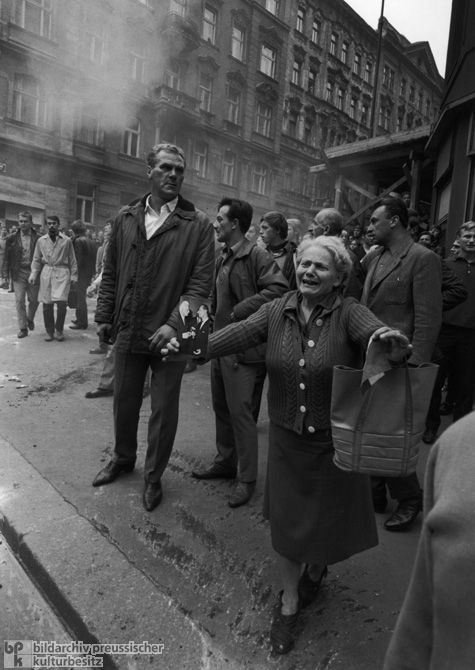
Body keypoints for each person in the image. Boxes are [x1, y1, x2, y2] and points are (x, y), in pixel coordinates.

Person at [162, 236, 412, 654]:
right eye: (305, 264)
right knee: (291, 530)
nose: (309, 271)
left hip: (334, 442)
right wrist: (196, 346)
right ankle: (290, 602)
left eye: (321, 267)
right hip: (287, 442)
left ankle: (317, 571)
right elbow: (239, 333)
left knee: (328, 522)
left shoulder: (348, 311)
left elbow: (375, 336)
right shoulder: (278, 309)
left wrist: (391, 344)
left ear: (338, 278)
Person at [91, 142, 215, 512]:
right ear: (149, 171)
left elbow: (200, 286)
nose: (173, 175)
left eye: (179, 170)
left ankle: (153, 477)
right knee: (124, 401)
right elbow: (110, 272)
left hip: (171, 338)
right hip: (129, 326)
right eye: (165, 168)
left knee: (163, 411)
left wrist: (175, 325)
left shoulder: (199, 224)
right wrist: (103, 316)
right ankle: (123, 457)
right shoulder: (126, 216)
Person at [191, 197, 288, 508]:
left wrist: (239, 312)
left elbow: (279, 290)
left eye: (220, 219)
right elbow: (213, 298)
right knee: (222, 409)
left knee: (241, 415)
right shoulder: (224, 256)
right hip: (220, 346)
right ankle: (224, 462)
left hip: (243, 350)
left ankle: (246, 479)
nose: (216, 224)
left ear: (235, 224)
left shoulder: (256, 255)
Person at [361, 197, 442, 531]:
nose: (369, 227)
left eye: (375, 221)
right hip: (373, 359)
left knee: (391, 434)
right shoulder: (376, 257)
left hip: (401, 363)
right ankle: (375, 491)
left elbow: (428, 319)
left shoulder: (423, 259)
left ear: (394, 221)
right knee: (371, 427)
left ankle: (410, 498)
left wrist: (416, 366)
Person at [383, 411, 475, 670]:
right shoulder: (459, 443)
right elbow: (419, 618)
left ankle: (403, 493)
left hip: (388, 380)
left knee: (385, 420)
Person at [422, 221, 475, 444]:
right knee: (434, 383)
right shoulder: (444, 265)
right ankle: (431, 427)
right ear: (458, 239)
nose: (472, 240)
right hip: (443, 332)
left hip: (472, 335)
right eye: (468, 236)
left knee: (466, 387)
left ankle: (459, 436)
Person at [29, 216, 78, 342]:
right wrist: (33, 274)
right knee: (47, 304)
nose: (51, 226)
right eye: (49, 223)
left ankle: (59, 330)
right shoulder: (41, 241)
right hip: (47, 272)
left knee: (62, 304)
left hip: (62, 273)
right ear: (46, 225)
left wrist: (74, 276)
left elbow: (72, 259)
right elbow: (36, 258)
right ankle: (49, 331)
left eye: (54, 223)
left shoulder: (66, 241)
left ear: (58, 224)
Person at [2, 211, 40, 338]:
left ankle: (30, 318)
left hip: (34, 271)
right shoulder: (12, 238)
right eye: (20, 221)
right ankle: (23, 327)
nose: (23, 224)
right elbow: (6, 257)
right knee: (19, 300)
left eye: (25, 221)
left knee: (34, 300)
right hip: (18, 272)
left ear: (31, 223)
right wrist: (5, 275)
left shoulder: (38, 237)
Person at [69, 220, 97, 330]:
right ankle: (79, 318)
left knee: (80, 298)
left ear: (75, 230)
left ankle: (82, 322)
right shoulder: (91, 241)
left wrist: (74, 273)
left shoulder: (78, 241)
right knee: (81, 297)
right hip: (88, 273)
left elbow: (78, 260)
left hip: (81, 274)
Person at [259, 211, 297, 289]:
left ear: (278, 229)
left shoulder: (295, 256)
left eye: (265, 228)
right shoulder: (260, 253)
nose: (260, 232)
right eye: (260, 228)